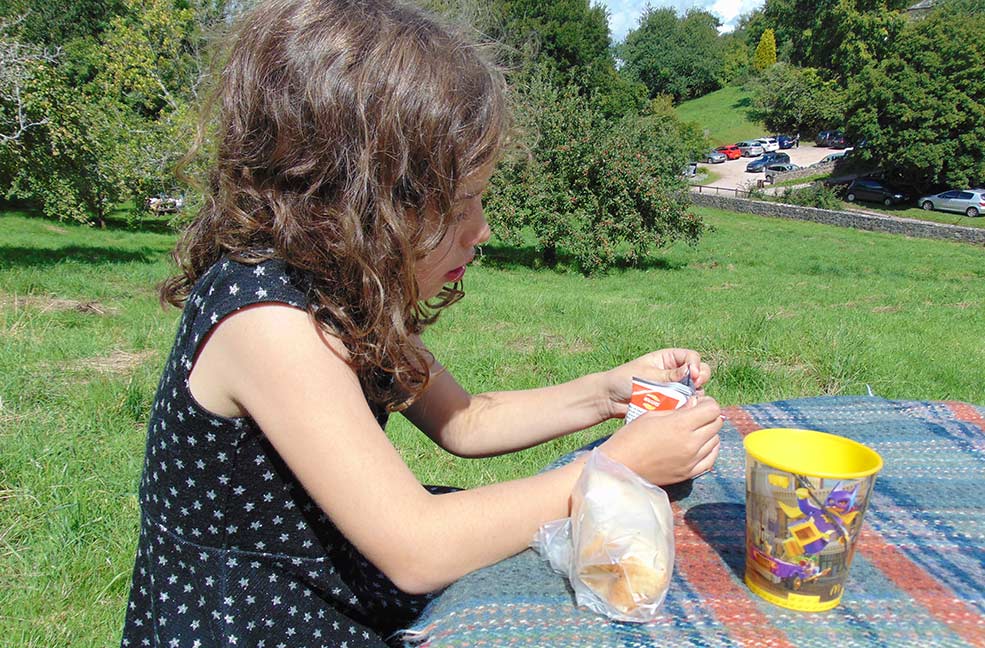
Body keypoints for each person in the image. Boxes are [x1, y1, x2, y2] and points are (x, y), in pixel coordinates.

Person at [119, 1, 723, 646]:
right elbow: (417, 548)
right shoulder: (269, 321)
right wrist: (610, 469)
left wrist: (609, 392)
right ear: (362, 200)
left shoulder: (339, 290)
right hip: (253, 623)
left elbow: (465, 420)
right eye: (462, 204)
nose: (482, 232)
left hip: (328, 587)